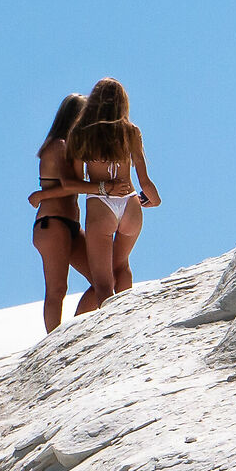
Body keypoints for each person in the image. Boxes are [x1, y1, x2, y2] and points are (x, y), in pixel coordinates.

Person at [62, 77, 161, 315]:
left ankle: (112, 325)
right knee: (122, 266)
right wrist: (153, 200)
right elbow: (145, 182)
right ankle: (127, 318)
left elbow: (74, 184)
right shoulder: (131, 132)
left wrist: (103, 189)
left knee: (103, 283)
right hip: (131, 203)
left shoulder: (81, 134)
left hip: (100, 206)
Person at [30, 92, 104, 332]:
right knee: (57, 289)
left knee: (102, 280)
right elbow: (68, 185)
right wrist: (102, 188)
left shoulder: (71, 148)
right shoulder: (58, 145)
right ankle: (54, 341)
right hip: (52, 223)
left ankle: (72, 333)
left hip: (70, 224)